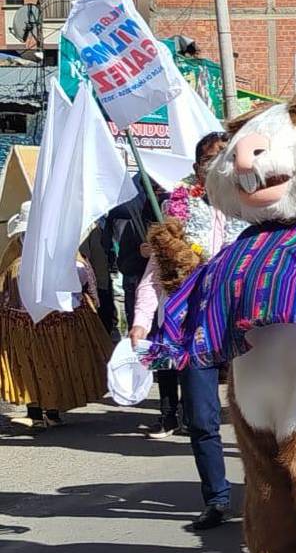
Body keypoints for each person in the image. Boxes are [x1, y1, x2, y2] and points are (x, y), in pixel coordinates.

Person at [129, 132, 249, 529]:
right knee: (201, 418)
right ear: (197, 168)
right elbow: (154, 274)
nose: (216, 166)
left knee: (260, 417)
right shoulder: (176, 211)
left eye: (224, 158)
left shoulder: (253, 209)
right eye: (208, 160)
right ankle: (216, 498)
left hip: (246, 327)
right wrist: (142, 321)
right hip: (192, 328)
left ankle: (270, 494)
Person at [1, 202, 112, 427]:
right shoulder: (17, 247)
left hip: (56, 317)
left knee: (53, 362)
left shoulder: (61, 248)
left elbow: (82, 274)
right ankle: (35, 411)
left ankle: (51, 412)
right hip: (22, 318)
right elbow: (4, 275)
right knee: (29, 364)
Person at [107, 173, 176, 437]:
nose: (159, 193)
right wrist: (140, 253)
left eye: (162, 188)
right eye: (155, 188)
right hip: (149, 304)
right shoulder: (134, 222)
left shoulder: (183, 224)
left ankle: (192, 415)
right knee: (162, 364)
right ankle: (168, 414)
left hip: (179, 306)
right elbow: (124, 265)